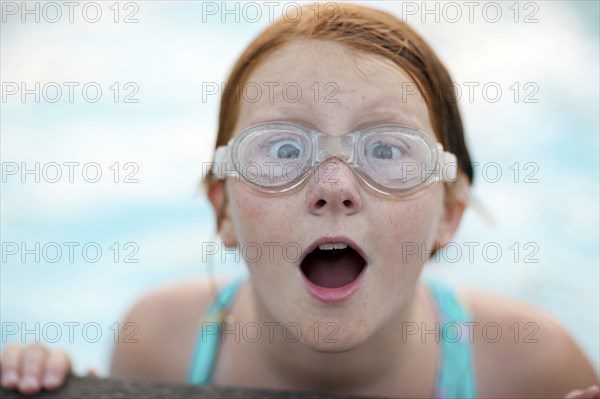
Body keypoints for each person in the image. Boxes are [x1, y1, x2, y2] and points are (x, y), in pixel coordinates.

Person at [1, 3, 598, 398]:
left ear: (447, 214)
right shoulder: (161, 340)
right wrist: (36, 376)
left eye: (388, 151)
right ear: (223, 209)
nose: (334, 187)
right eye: (283, 150)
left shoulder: (529, 367)